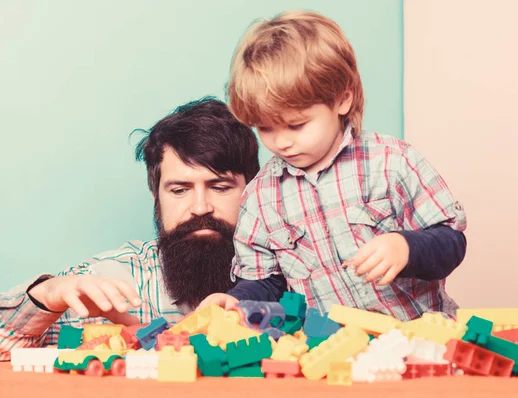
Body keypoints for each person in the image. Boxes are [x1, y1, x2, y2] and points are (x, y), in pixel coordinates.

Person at [200, 11, 468, 321]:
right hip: (330, 351)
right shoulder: (261, 198)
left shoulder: (392, 162)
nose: (281, 142)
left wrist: (405, 247)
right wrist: (236, 300)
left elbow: (451, 241)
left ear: (342, 100)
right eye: (265, 128)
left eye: (296, 125)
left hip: (417, 340)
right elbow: (266, 283)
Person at [0, 97, 287, 360]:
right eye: (179, 190)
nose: (200, 207)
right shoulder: (115, 281)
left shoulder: (296, 271)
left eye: (220, 187)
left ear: (253, 190)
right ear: (156, 198)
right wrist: (47, 294)